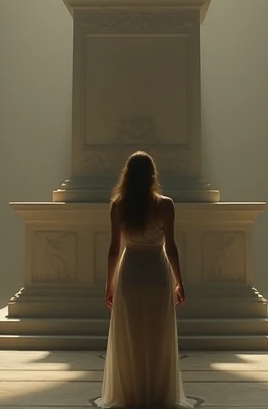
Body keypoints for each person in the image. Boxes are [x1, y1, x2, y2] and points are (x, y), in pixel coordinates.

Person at [100, 150, 191, 408]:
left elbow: (114, 249)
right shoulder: (166, 205)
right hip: (157, 272)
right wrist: (179, 280)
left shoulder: (119, 205)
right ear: (152, 176)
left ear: (127, 175)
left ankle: (131, 393)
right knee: (157, 334)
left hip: (130, 274)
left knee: (131, 335)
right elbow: (171, 246)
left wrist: (109, 284)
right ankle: (157, 394)